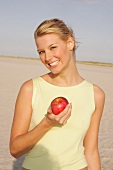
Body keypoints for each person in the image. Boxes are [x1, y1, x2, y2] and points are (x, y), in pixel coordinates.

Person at [10, 18, 105, 170]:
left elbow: (91, 151)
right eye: (41, 52)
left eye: (53, 47)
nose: (47, 58)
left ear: (70, 43)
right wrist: (47, 123)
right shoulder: (30, 88)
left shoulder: (95, 95)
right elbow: (15, 150)